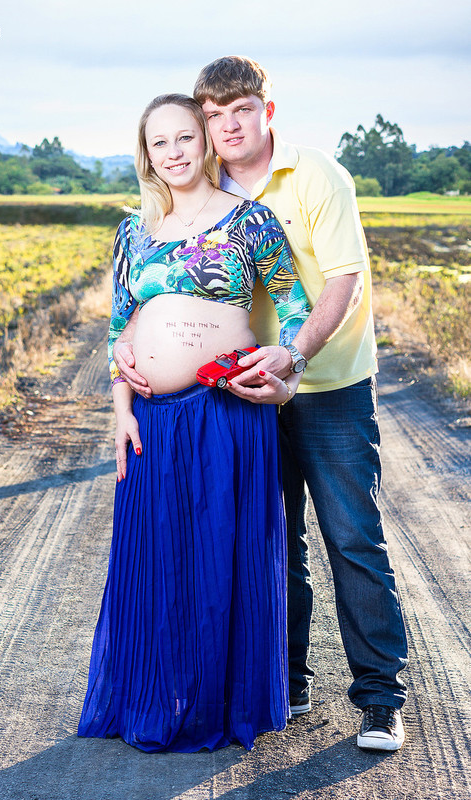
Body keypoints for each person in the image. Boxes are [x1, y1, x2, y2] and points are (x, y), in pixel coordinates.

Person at [114, 59, 409, 753]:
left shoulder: (314, 177)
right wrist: (130, 365)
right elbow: (147, 295)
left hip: (324, 384)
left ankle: (378, 698)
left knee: (352, 540)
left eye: (239, 110)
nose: (225, 126)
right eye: (212, 115)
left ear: (265, 111)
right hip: (238, 398)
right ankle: (286, 680)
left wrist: (295, 358)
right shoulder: (204, 186)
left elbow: (341, 280)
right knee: (269, 541)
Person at [77, 93, 311, 753]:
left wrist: (282, 377)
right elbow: (121, 327)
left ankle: (220, 706)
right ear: (145, 154)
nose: (175, 152)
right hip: (152, 415)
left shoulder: (249, 219)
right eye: (161, 143)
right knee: (156, 558)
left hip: (229, 413)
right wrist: (120, 405)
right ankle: (152, 698)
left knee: (221, 557)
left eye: (186, 137)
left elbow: (294, 308)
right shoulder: (132, 230)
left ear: (204, 143)